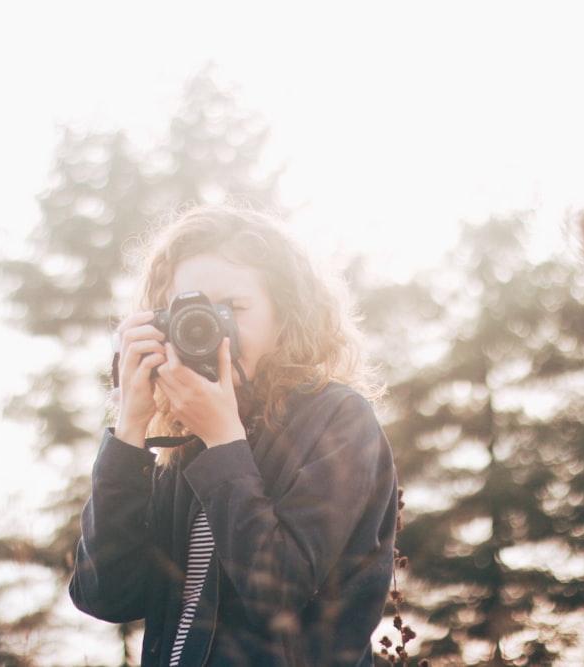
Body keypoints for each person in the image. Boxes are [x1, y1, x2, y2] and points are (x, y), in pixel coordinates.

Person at [68, 203, 399, 666]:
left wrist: (225, 443)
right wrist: (129, 432)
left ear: (286, 314)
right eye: (192, 309)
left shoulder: (338, 419)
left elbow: (278, 593)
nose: (212, 326)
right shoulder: (185, 442)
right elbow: (106, 595)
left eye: (233, 308)